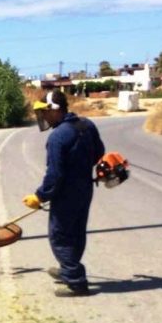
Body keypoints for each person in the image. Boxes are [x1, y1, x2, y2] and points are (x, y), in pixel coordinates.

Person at [23, 89, 105, 297]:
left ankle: (76, 280)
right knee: (76, 232)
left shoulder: (58, 137)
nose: (43, 117)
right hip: (84, 188)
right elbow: (99, 153)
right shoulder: (87, 125)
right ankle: (68, 268)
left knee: (59, 236)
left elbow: (55, 174)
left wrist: (40, 196)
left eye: (45, 112)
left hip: (66, 193)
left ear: (55, 110)